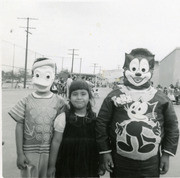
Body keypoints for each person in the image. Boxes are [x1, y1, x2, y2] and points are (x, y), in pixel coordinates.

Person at [96, 48, 179, 178]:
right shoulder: (114, 96)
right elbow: (101, 124)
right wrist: (105, 152)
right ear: (126, 69)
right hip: (119, 162)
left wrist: (167, 154)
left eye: (143, 70)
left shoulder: (162, 98)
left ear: (151, 71)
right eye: (134, 69)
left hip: (151, 164)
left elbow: (172, 128)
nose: (138, 74)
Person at [8, 58, 65, 178]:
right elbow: (19, 126)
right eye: (38, 74)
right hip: (29, 153)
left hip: (51, 153)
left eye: (47, 76)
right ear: (33, 75)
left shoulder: (60, 102)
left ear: (53, 76)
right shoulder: (25, 101)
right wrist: (20, 154)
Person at [47, 80, 103, 178]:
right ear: (69, 98)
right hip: (66, 165)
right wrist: (51, 166)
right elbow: (56, 142)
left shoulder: (95, 119)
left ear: (89, 97)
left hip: (89, 164)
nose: (79, 97)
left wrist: (101, 162)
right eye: (75, 94)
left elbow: (99, 143)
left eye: (83, 94)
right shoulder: (63, 118)